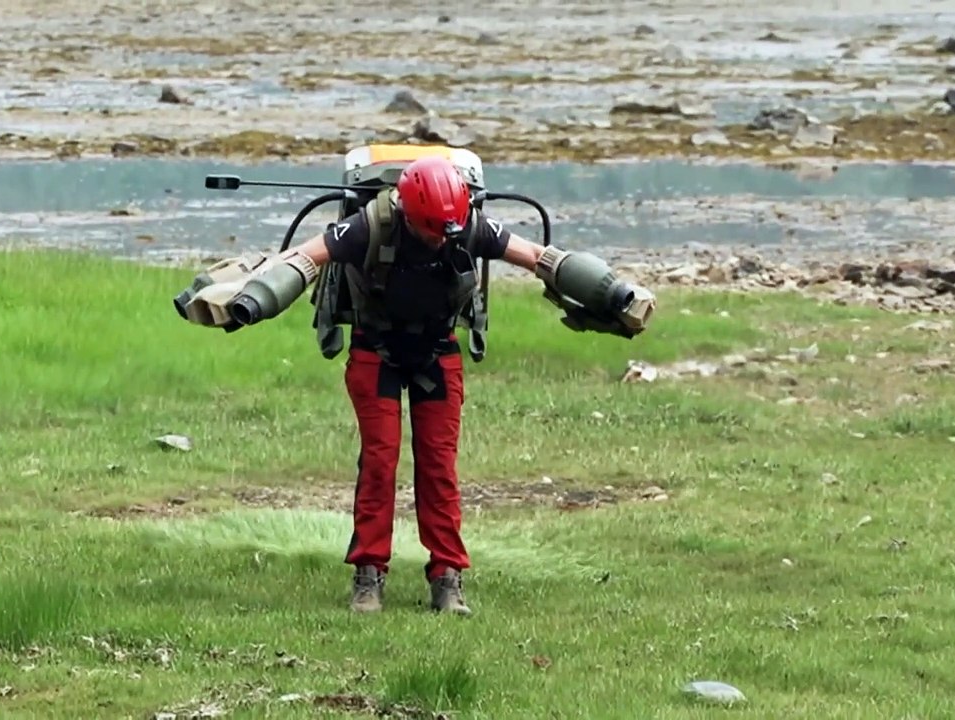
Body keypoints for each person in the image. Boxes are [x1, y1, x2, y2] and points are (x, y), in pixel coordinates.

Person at [174, 154, 654, 616]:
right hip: (374, 350)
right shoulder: (368, 225)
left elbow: (536, 257)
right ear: (408, 212)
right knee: (380, 464)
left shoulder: (466, 224)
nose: (440, 238)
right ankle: (368, 575)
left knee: (439, 469)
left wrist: (615, 293)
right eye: (430, 229)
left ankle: (447, 578)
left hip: (436, 352)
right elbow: (304, 257)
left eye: (448, 228)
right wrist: (251, 301)